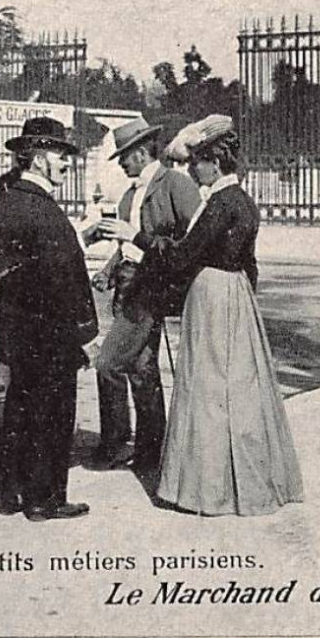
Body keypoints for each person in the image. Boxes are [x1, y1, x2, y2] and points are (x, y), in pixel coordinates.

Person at [113, 114, 303, 516]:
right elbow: (250, 265)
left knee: (208, 388)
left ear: (215, 164)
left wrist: (137, 238)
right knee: (238, 388)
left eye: (197, 161)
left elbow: (182, 256)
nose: (191, 168)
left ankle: (207, 487)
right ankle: (244, 480)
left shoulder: (219, 203)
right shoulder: (244, 202)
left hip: (213, 296)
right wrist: (243, 301)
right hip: (236, 296)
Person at [0, 117, 99, 521]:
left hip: (22, 332)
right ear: (37, 159)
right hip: (51, 333)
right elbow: (60, 279)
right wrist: (82, 333)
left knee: (21, 409)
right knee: (52, 416)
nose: (65, 162)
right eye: (59, 154)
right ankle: (44, 499)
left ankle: (12, 492)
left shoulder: (9, 198)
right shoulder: (42, 209)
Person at [84, 116, 202, 477]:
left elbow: (192, 243)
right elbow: (128, 246)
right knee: (141, 369)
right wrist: (108, 268)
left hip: (150, 290)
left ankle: (116, 444)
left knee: (107, 363)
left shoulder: (176, 185)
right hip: (127, 284)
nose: (121, 162)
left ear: (140, 152)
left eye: (124, 156)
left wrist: (171, 279)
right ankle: (153, 450)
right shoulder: (129, 196)